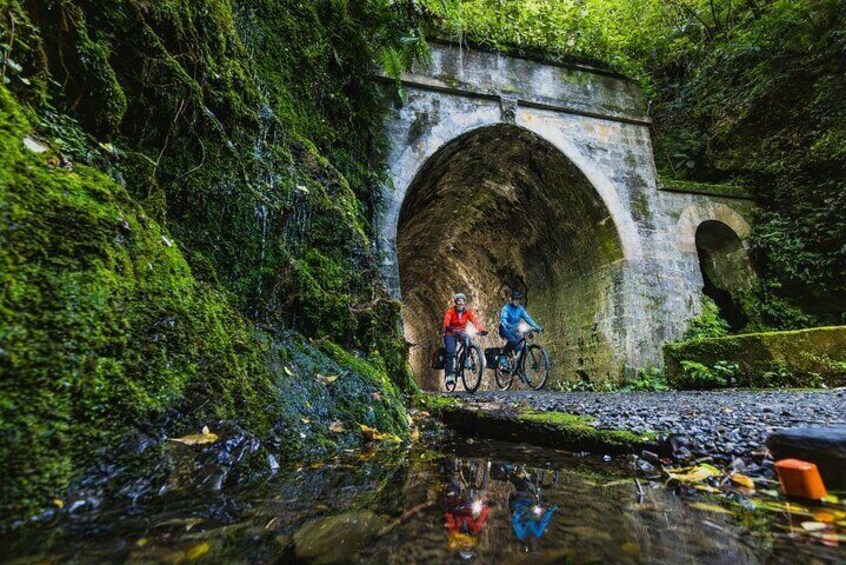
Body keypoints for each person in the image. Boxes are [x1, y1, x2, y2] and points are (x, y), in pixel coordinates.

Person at [442, 293, 486, 388]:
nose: (461, 303)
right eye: (459, 301)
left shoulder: (467, 312)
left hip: (461, 333)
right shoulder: (451, 311)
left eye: (462, 301)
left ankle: (465, 359)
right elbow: (447, 320)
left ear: (465, 303)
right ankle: (449, 375)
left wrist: (481, 330)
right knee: (450, 352)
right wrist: (448, 327)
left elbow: (474, 321)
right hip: (451, 333)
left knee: (468, 343)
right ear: (456, 303)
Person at [499, 290, 542, 365]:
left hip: (515, 330)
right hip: (505, 329)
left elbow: (528, 318)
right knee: (513, 341)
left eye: (518, 299)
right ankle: (503, 356)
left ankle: (518, 368)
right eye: (515, 299)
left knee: (519, 348)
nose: (517, 301)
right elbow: (503, 318)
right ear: (511, 299)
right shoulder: (506, 308)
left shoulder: (520, 309)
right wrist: (506, 323)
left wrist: (536, 327)